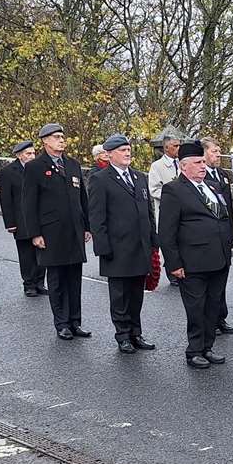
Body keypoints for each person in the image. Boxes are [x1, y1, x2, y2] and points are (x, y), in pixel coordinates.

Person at [158, 141, 233, 368]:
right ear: (184, 166)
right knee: (196, 308)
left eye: (203, 161)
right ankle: (194, 350)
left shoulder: (213, 186)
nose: (203, 166)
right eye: (198, 162)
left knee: (213, 306)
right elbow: (166, 231)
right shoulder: (174, 190)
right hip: (193, 263)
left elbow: (223, 217)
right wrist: (174, 263)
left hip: (219, 259)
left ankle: (207, 347)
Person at [18, 123, 92, 340]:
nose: (62, 140)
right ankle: (62, 323)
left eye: (63, 136)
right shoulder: (35, 167)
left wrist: (87, 226)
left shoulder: (72, 164)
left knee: (74, 279)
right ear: (45, 141)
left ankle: (75, 321)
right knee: (58, 280)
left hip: (74, 231)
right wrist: (35, 233)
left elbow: (82, 199)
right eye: (57, 137)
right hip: (51, 233)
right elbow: (28, 203)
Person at [87, 134, 158, 354]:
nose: (127, 153)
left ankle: (136, 333)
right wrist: (103, 247)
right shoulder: (101, 179)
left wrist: (153, 241)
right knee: (120, 296)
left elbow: (148, 212)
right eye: (122, 150)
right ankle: (123, 335)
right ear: (109, 154)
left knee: (137, 293)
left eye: (128, 149)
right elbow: (97, 216)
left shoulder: (138, 177)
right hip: (117, 248)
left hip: (140, 247)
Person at [0, 141, 48, 297]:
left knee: (41, 251)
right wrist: (10, 223)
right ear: (19, 155)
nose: (32, 156)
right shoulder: (8, 172)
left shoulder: (40, 169)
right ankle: (29, 284)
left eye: (33, 153)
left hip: (40, 218)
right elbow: (5, 199)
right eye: (28, 154)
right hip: (21, 220)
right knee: (26, 254)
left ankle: (40, 282)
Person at [202, 138, 233, 337]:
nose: (218, 155)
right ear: (204, 154)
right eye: (214, 151)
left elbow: (229, 209)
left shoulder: (223, 174)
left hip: (225, 235)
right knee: (210, 282)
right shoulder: (200, 176)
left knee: (222, 280)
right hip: (210, 237)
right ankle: (210, 320)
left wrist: (232, 233)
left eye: (219, 151)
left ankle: (220, 317)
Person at [147, 128, 182, 225]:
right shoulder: (157, 166)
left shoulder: (183, 163)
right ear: (166, 148)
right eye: (175, 146)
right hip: (166, 211)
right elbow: (153, 190)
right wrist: (171, 196)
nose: (179, 148)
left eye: (179, 145)